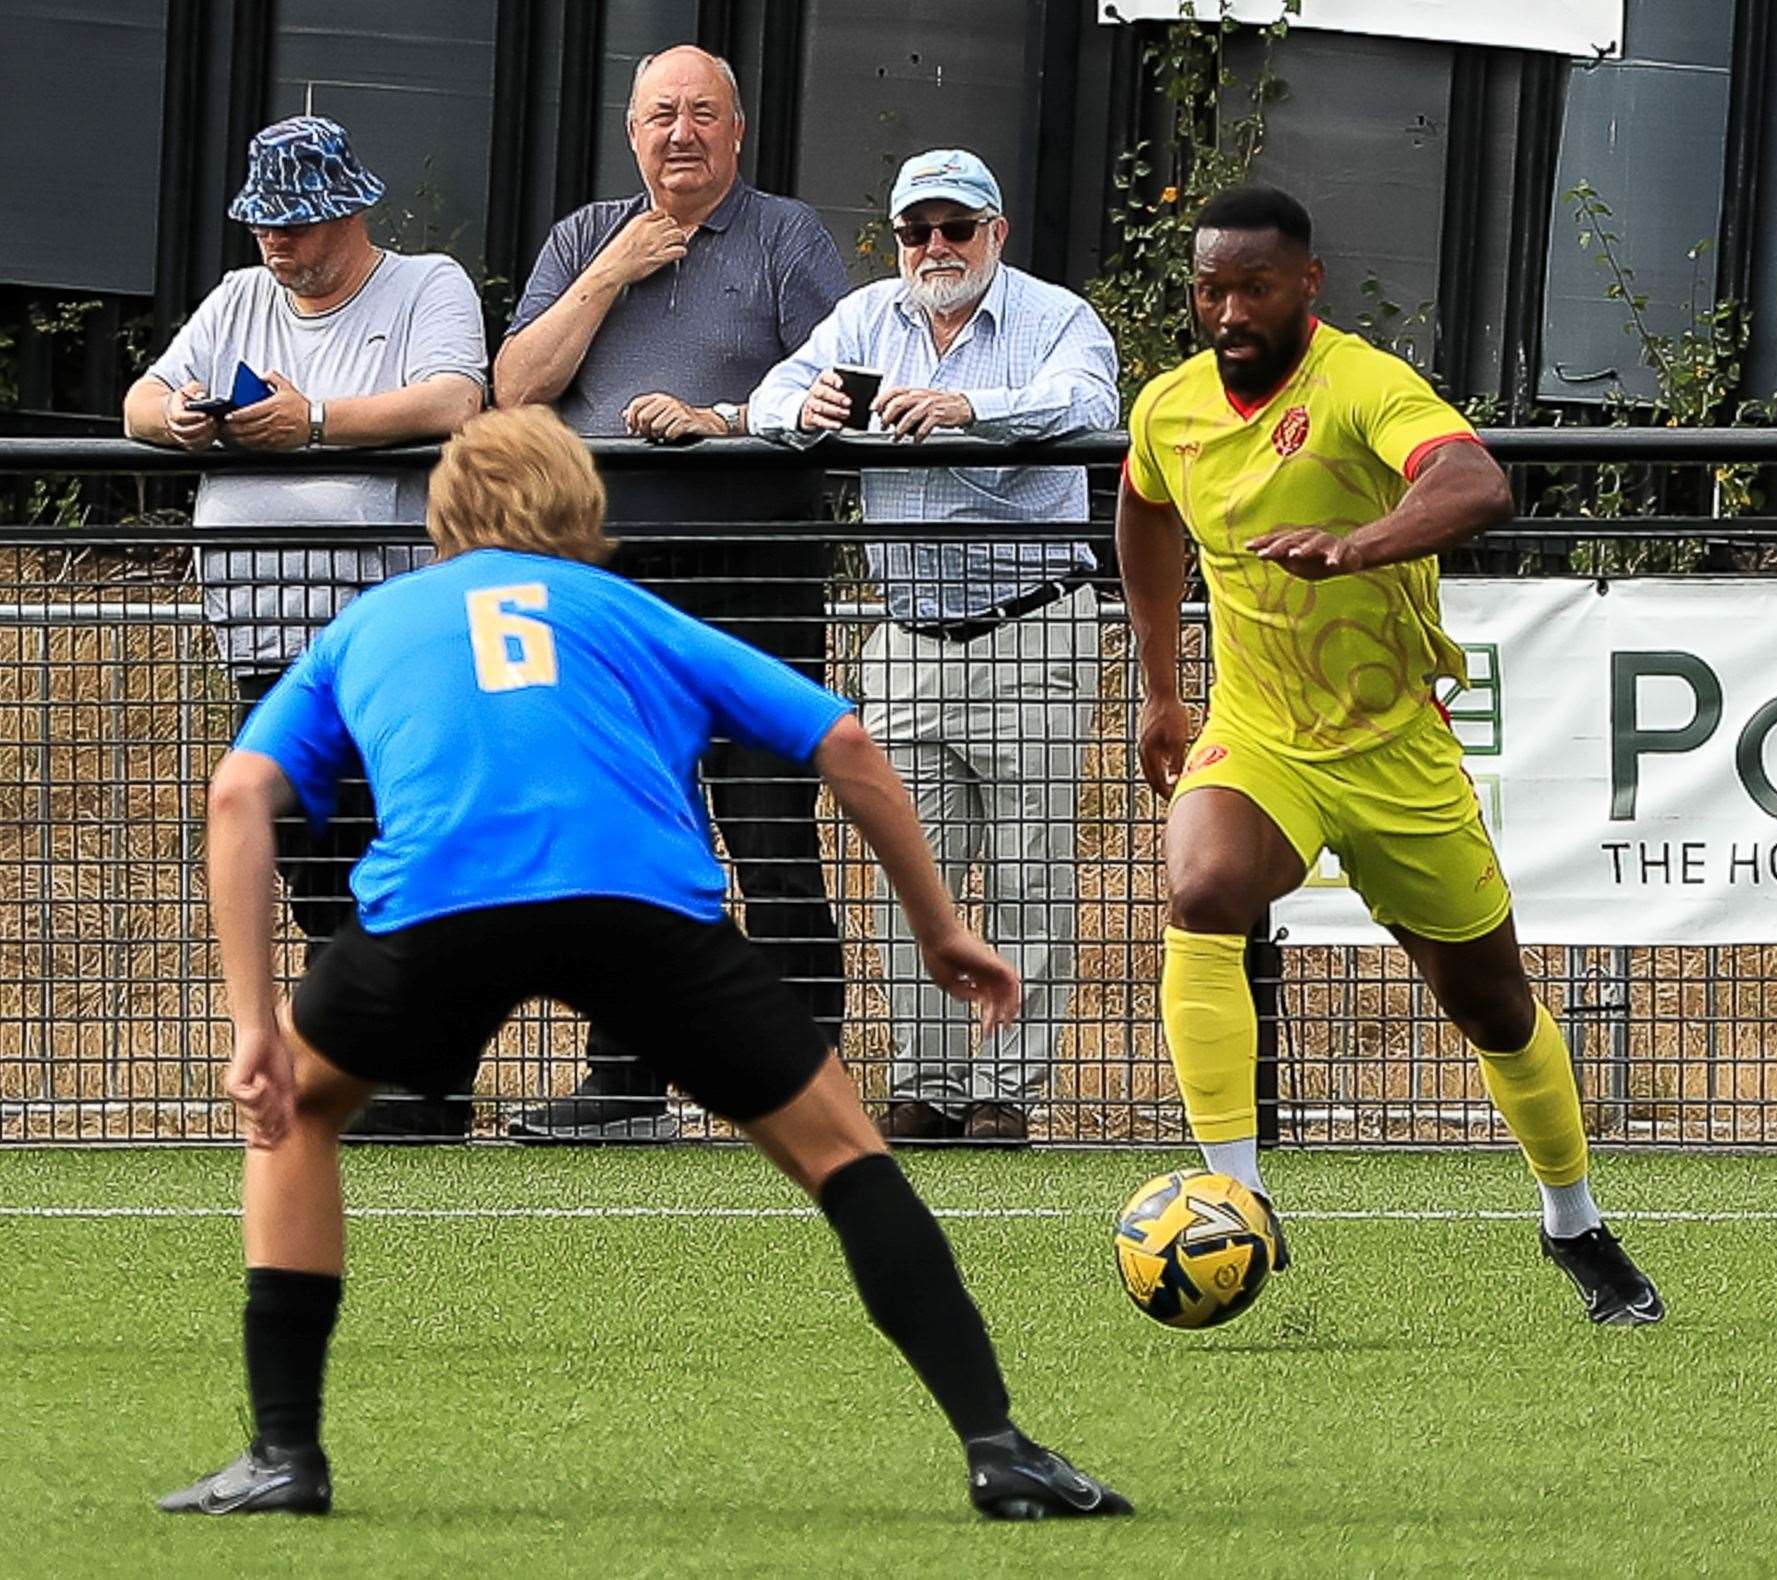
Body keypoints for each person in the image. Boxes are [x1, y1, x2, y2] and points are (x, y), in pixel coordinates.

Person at [154, 406, 1130, 1522]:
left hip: (433, 911)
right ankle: (996, 1446)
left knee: (294, 1119)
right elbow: (844, 741)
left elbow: (239, 792)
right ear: (583, 504)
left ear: (441, 513)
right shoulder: (631, 610)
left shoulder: (372, 621)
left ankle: (284, 1454)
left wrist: (252, 1029)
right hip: (637, 909)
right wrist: (942, 927)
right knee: (845, 1154)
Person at [1116, 183, 1663, 1325]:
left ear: (1303, 284)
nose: (1227, 308)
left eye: (1252, 286)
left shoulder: (1361, 382)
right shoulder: (1168, 408)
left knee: (1492, 1004)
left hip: (1393, 748)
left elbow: (1474, 481)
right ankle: (1239, 1206)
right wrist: (1163, 687)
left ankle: (1574, 1225)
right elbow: (1144, 508)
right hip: (1258, 733)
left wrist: (1355, 544)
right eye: (1209, 286)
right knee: (1202, 887)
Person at [495, 45, 850, 1143]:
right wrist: (613, 269)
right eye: (659, 115)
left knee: (766, 827)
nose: (680, 133)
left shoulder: (787, 236)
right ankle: (626, 1078)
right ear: (631, 132)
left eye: (702, 113)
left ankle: (801, 1082)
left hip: (756, 579)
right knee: (630, 827)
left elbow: (837, 387)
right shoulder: (581, 235)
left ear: (737, 132)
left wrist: (722, 423)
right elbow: (516, 387)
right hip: (610, 588)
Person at [124, 114, 487, 1139]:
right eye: (264, 227)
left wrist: (314, 422)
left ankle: (428, 1082)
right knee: (313, 864)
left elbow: (458, 398)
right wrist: (185, 420)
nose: (279, 246)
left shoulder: (428, 285)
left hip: (392, 643)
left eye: (298, 226)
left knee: (399, 856)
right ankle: (380, 1070)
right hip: (264, 641)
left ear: (349, 208)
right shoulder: (240, 298)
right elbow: (136, 401)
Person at [749, 149, 1119, 1146]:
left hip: (1030, 621)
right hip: (903, 631)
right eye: (917, 229)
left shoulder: (1054, 317)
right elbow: (767, 399)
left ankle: (1005, 1091)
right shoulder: (864, 317)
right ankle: (924, 1083)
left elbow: (1091, 406)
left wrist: (971, 413)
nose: (936, 247)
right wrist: (806, 411)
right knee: (909, 873)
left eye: (956, 227)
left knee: (1031, 868)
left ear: (995, 233)